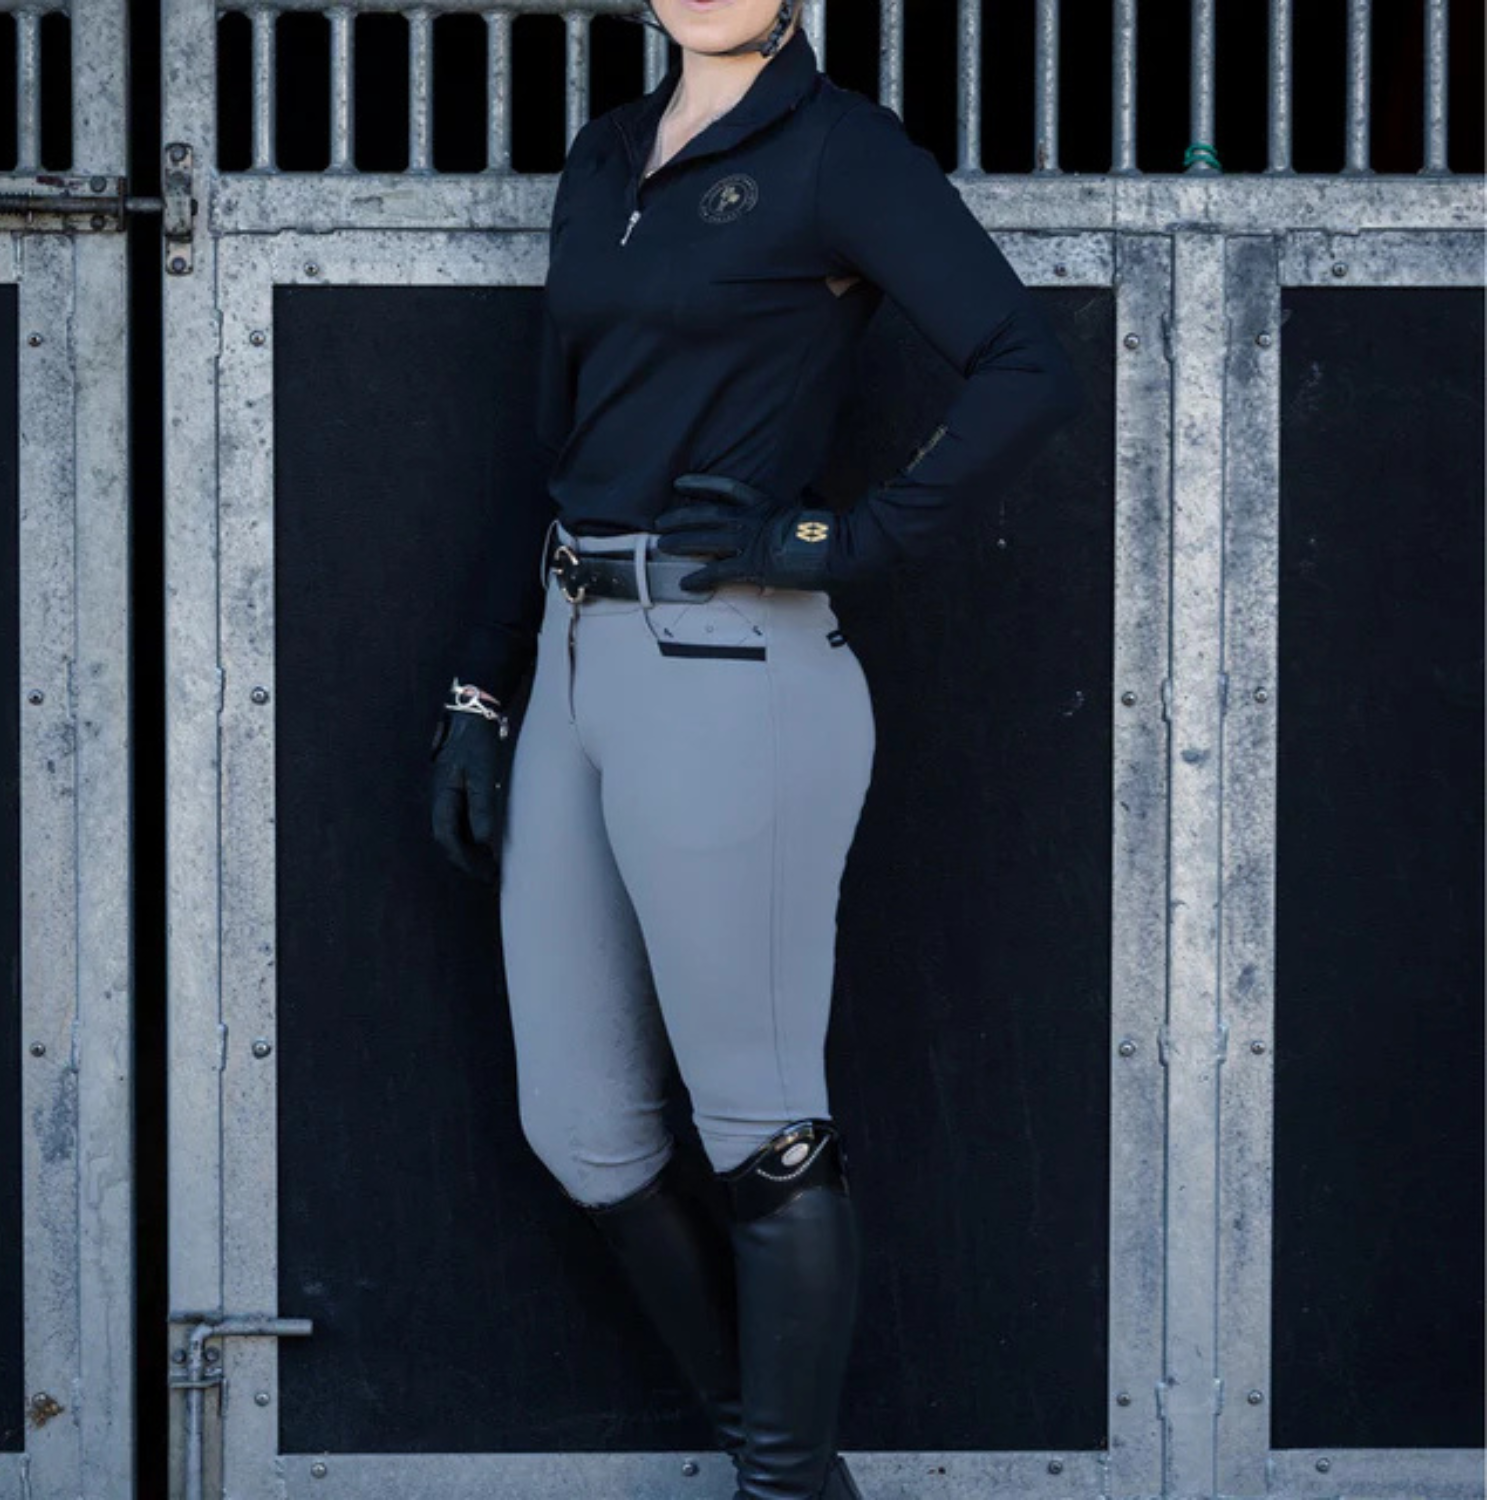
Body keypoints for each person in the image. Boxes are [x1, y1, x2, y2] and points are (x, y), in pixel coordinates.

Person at [428, 1, 1084, 1495]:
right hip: (577, 649)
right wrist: (480, 686)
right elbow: (552, 445)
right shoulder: (604, 158)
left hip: (730, 661)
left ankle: (780, 1487)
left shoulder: (839, 151)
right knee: (581, 1129)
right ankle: (788, 1473)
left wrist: (840, 540)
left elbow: (1023, 367)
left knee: (759, 1120)